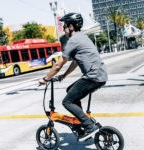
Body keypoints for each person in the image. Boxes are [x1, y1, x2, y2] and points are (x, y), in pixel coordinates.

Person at [38, 13, 108, 141]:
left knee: (67, 101)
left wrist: (45, 79)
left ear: (71, 26)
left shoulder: (73, 41)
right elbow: (75, 61)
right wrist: (63, 76)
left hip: (92, 77)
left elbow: (59, 64)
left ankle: (88, 126)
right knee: (70, 90)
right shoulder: (83, 37)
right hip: (100, 75)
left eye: (64, 26)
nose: (64, 29)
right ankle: (82, 121)